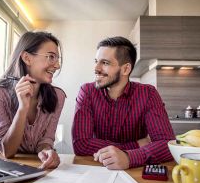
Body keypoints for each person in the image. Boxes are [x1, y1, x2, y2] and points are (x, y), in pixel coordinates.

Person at [72, 36, 175, 170]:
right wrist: (136, 146)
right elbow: (81, 144)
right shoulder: (87, 91)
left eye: (105, 63)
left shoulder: (148, 94)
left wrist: (129, 158)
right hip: (97, 168)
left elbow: (166, 144)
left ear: (126, 69)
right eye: (96, 61)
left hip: (135, 170)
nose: (96, 68)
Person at [0, 31, 66, 170]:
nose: (57, 65)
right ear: (27, 58)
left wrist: (46, 150)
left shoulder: (58, 96)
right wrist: (23, 108)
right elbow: (7, 151)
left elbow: (46, 139)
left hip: (35, 167)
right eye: (51, 57)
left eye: (57, 59)